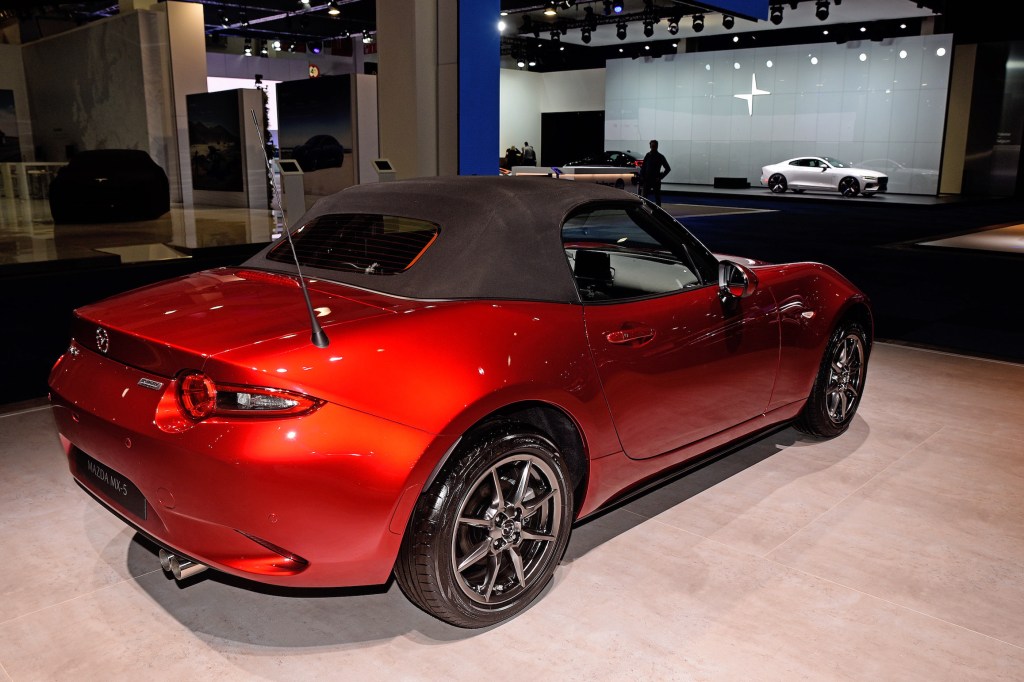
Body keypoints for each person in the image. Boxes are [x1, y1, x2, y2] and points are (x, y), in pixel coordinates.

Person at [639, 139, 671, 206]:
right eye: (652, 146)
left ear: (657, 146)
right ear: (650, 146)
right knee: (645, 197)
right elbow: (643, 167)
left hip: (655, 180)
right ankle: (644, 210)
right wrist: (642, 177)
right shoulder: (648, 155)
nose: (653, 147)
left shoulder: (660, 156)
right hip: (647, 180)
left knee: (656, 198)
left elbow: (668, 168)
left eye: (654, 146)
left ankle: (658, 212)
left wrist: (660, 177)